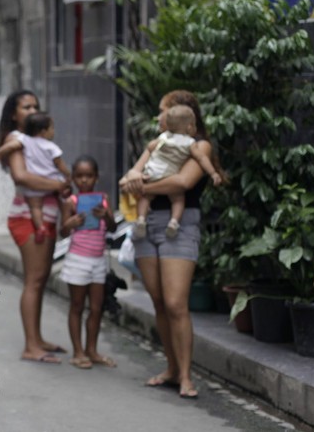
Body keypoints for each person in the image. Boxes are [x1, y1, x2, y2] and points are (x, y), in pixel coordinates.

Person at [119, 89, 222, 399]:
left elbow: (182, 183)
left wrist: (144, 185)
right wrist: (135, 180)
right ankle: (172, 369)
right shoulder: (159, 142)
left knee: (177, 303)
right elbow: (128, 179)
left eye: (162, 111)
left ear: (180, 112)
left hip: (179, 224)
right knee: (160, 302)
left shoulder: (199, 144)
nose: (158, 117)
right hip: (146, 224)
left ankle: (187, 376)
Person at [0, 90, 71, 364]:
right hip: (28, 217)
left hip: (45, 215)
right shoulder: (16, 139)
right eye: (26, 107)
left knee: (39, 280)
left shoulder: (34, 140)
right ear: (14, 115)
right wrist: (59, 184)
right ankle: (31, 346)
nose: (32, 110)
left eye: (35, 106)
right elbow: (21, 176)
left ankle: (37, 339)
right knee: (34, 280)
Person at [123, 105, 224, 240]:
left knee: (145, 198)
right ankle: (174, 222)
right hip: (168, 175)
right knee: (178, 199)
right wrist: (213, 173)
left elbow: (151, 147)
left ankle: (141, 219)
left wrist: (141, 185)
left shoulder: (163, 137)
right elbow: (201, 158)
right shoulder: (190, 143)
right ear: (189, 127)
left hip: (151, 172)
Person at [59, 155, 117, 369]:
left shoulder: (103, 199)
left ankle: (92, 350)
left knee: (96, 307)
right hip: (77, 259)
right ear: (73, 179)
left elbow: (112, 229)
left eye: (89, 176)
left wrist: (106, 217)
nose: (84, 180)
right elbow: (62, 232)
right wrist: (70, 222)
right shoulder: (71, 202)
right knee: (76, 306)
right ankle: (78, 351)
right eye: (80, 176)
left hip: (98, 261)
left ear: (96, 177)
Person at [0, 111, 70, 243]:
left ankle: (40, 227)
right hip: (52, 181)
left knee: (35, 207)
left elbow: (11, 146)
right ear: (43, 131)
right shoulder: (51, 147)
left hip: (33, 185)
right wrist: (68, 175)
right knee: (64, 201)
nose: (53, 131)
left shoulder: (25, 140)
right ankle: (65, 223)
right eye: (52, 128)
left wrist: (0, 153)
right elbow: (59, 164)